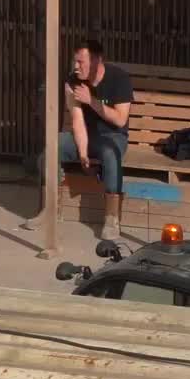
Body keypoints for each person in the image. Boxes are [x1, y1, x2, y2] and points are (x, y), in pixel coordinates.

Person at [23, 39, 133, 239]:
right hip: (84, 135)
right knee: (52, 148)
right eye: (75, 61)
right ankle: (49, 210)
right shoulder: (73, 81)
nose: (75, 66)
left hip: (112, 136)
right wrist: (83, 154)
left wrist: (91, 100)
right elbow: (77, 120)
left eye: (80, 62)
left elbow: (119, 120)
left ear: (97, 60)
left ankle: (111, 218)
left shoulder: (119, 78)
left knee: (111, 153)